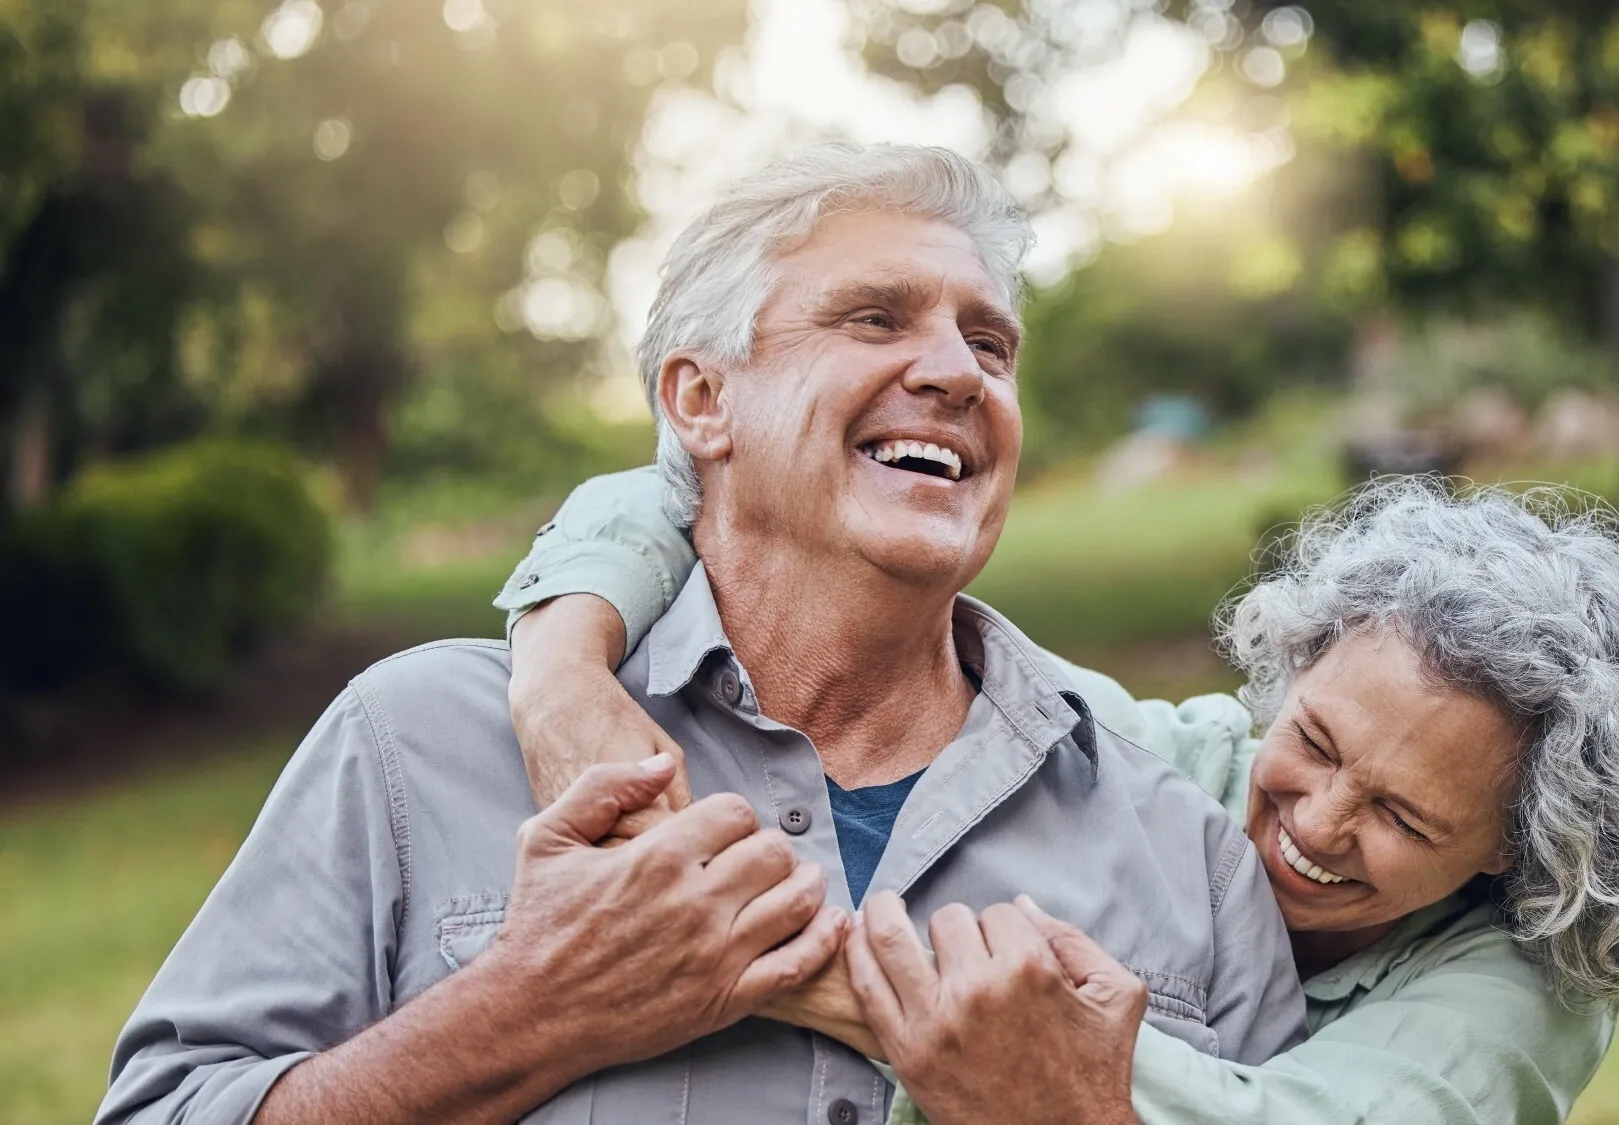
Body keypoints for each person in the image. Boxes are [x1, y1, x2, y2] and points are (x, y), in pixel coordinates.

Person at [97, 143, 1307, 1125]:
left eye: (988, 344)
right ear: (701, 400)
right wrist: (527, 1012)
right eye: (875, 319)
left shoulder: (1184, 853)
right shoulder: (415, 743)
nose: (954, 371)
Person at [502, 473, 1619, 1124]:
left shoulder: (1526, 986)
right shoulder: (1154, 763)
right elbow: (686, 474)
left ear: (1507, 853)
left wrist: (794, 972)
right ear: (1289, 667)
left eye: (1403, 819)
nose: (1312, 824)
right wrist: (562, 672)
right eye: (1310, 741)